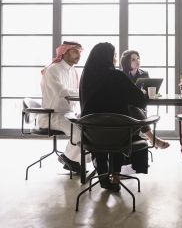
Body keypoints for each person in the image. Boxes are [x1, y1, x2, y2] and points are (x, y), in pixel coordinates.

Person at [80, 42, 149, 191]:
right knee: (119, 123)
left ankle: (104, 178)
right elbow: (140, 101)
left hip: (91, 135)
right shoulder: (116, 76)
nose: (116, 59)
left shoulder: (85, 78)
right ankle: (116, 175)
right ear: (108, 57)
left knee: (102, 129)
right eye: (114, 55)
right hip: (119, 135)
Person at [39, 41, 84, 174]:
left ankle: (69, 159)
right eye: (75, 51)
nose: (78, 55)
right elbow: (62, 92)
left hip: (68, 114)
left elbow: (74, 92)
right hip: (52, 115)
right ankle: (70, 159)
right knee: (79, 132)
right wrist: (84, 92)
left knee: (89, 127)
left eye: (79, 52)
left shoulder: (73, 71)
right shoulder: (53, 69)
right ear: (64, 52)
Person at [120, 50, 170, 149]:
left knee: (136, 109)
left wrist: (148, 93)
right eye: (133, 59)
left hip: (140, 106)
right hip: (125, 109)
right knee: (132, 108)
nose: (137, 61)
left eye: (138, 58)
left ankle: (151, 139)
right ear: (127, 62)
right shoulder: (120, 74)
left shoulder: (144, 73)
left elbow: (150, 90)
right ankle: (153, 139)